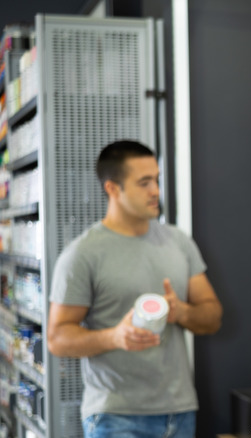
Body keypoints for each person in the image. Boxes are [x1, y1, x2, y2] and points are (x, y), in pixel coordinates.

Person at [47, 140, 223, 438]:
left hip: (178, 412)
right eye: (144, 183)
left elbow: (212, 317)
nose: (155, 190)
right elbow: (57, 338)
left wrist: (181, 311)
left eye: (156, 179)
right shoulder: (83, 254)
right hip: (115, 417)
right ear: (113, 189)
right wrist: (114, 336)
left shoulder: (178, 242)